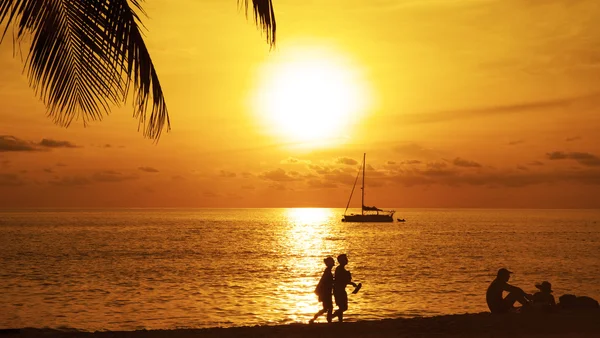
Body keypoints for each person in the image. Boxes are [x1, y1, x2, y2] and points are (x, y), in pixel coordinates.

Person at [331, 254, 358, 322]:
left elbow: (343, 281)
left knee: (342, 307)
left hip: (340, 289)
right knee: (343, 307)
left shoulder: (341, 269)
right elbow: (341, 280)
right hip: (339, 290)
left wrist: (351, 283)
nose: (346, 260)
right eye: (345, 259)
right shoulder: (340, 269)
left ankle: (340, 321)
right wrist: (352, 283)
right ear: (341, 261)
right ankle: (332, 316)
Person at [309, 256, 335, 324]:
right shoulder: (327, 272)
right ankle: (327, 320)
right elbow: (326, 282)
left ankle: (316, 318)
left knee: (326, 308)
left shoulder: (328, 271)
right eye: (332, 262)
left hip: (327, 292)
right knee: (328, 308)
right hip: (326, 293)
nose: (333, 263)